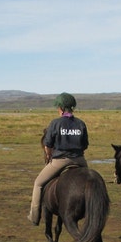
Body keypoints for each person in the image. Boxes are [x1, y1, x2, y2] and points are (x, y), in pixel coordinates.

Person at [27, 92, 89, 225]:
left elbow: (48, 144)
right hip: (80, 160)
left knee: (38, 183)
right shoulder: (80, 123)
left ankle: (34, 216)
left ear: (61, 108)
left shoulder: (55, 123)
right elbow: (85, 145)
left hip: (60, 161)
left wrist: (49, 154)